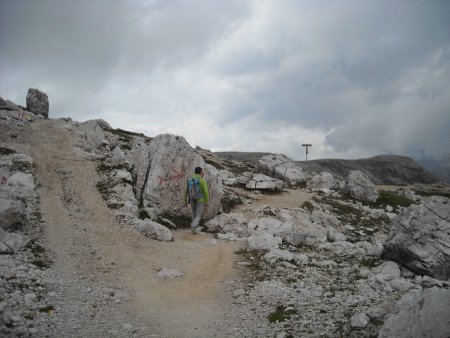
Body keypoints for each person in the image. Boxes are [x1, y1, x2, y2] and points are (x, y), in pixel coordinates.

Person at [184, 166, 209, 233]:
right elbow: (206, 192)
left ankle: (193, 230)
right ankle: (193, 226)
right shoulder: (202, 180)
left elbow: (186, 191)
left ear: (195, 172)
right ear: (200, 172)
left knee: (193, 213)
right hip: (200, 200)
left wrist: (185, 201)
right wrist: (207, 201)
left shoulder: (190, 179)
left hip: (191, 199)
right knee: (198, 215)